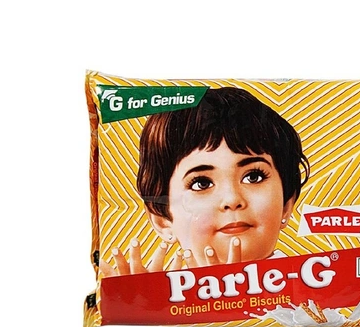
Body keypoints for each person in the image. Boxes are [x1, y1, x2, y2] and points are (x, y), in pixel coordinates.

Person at [99, 87, 309, 276]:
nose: (232, 199)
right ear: (163, 219)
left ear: (286, 204)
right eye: (201, 183)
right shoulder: (157, 299)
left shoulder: (315, 292)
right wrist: (143, 300)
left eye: (253, 176)